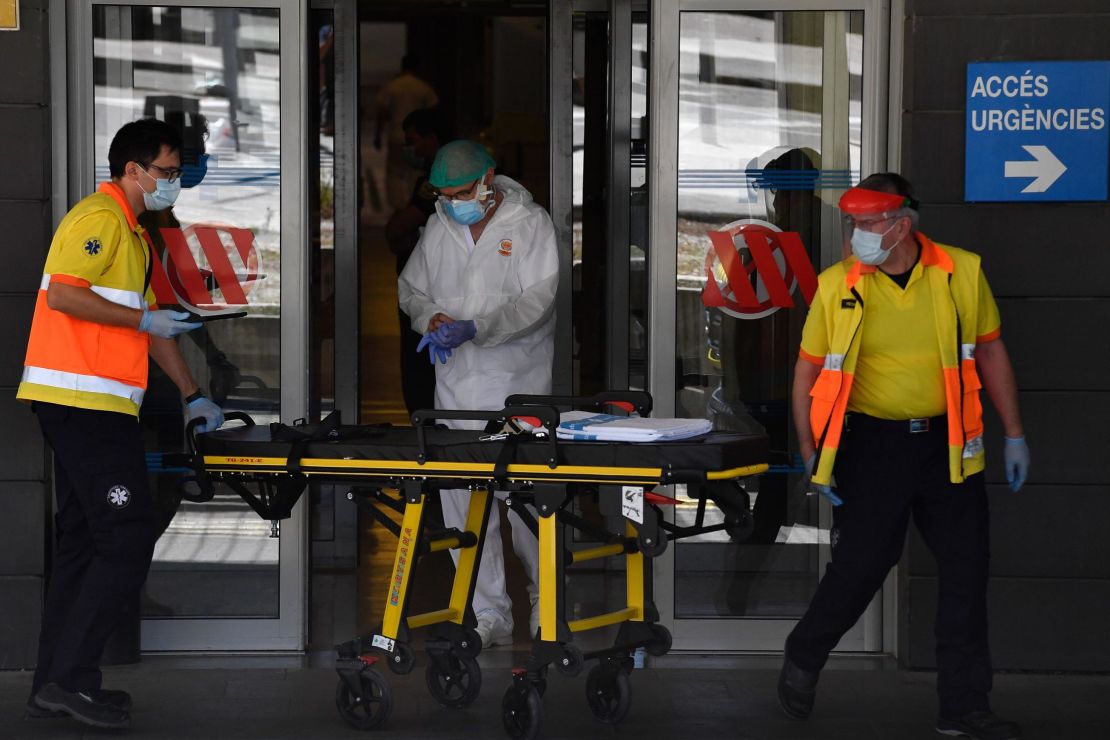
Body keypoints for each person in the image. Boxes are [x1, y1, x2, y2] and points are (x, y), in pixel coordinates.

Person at [779, 173, 1029, 740]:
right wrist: (809, 448)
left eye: (868, 224)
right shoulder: (838, 284)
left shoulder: (961, 271)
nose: (857, 235)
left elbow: (989, 351)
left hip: (949, 443)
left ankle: (963, 707)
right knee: (861, 566)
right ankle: (804, 651)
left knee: (966, 571)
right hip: (871, 446)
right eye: (853, 223)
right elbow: (807, 370)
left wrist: (1014, 433)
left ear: (903, 225)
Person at [18, 118, 225, 730]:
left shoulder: (134, 233)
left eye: (176, 173)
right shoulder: (99, 219)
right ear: (132, 170)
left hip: (99, 407)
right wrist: (142, 325)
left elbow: (151, 317)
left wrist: (192, 395)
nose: (173, 182)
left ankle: (54, 684)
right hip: (80, 406)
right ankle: (72, 680)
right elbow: (64, 295)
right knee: (127, 533)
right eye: (165, 172)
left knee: (85, 543)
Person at [398, 139, 557, 647]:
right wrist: (433, 318)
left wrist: (480, 327)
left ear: (489, 180)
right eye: (443, 195)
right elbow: (411, 290)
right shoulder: (439, 226)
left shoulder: (530, 224)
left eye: (461, 192)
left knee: (528, 505)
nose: (452, 203)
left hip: (519, 388)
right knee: (464, 507)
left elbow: (539, 300)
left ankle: (545, 604)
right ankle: (488, 612)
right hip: (456, 393)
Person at [385, 108, 447, 416]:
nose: (410, 149)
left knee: (420, 359)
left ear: (432, 139)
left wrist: (394, 232)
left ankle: (425, 417)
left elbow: (399, 228)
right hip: (422, 289)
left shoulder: (438, 181)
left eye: (414, 141)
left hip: (432, 288)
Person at [374, 55, 439, 211]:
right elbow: (434, 110)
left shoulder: (392, 87)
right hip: (418, 138)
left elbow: (382, 112)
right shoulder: (423, 87)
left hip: (396, 135)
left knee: (394, 172)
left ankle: (398, 206)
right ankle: (415, 203)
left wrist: (378, 134)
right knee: (415, 171)